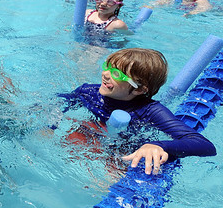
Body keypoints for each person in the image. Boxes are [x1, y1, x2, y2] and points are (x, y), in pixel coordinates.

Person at [58, 48, 217, 175]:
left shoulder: (150, 110)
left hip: (124, 149)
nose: (105, 74)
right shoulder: (88, 92)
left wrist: (157, 145)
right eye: (107, 66)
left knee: (108, 182)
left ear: (139, 89)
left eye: (116, 74)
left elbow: (205, 145)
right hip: (94, 133)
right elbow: (56, 104)